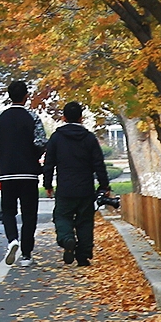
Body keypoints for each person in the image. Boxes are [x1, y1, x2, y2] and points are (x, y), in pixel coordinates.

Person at [0, 79, 47, 265]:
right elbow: (41, 142)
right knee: (29, 214)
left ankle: (12, 239)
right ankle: (26, 255)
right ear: (26, 96)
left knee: (8, 211)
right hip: (29, 173)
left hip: (7, 173)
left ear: (9, 96)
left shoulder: (0, 118)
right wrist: (33, 156)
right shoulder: (32, 117)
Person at [42, 102, 111, 266]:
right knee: (85, 221)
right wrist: (104, 185)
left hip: (65, 187)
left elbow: (49, 163)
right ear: (81, 118)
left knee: (62, 216)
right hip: (85, 188)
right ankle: (83, 256)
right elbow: (98, 164)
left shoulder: (56, 138)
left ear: (63, 118)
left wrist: (47, 184)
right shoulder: (89, 138)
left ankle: (67, 239)